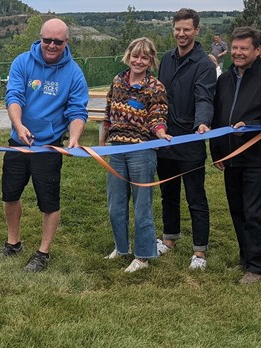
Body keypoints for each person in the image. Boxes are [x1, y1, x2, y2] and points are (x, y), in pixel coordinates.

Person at [1, 18, 88, 272]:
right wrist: (18, 125)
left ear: (66, 42)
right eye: (46, 40)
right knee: (10, 195)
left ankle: (43, 252)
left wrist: (74, 137)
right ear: (40, 38)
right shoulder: (22, 62)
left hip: (49, 147)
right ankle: (13, 242)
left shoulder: (74, 73)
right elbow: (14, 95)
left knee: (49, 202)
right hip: (18, 142)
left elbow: (77, 111)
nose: (51, 45)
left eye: (57, 41)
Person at [210, 27, 261, 284]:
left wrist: (251, 125)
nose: (238, 53)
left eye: (244, 48)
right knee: (237, 210)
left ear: (257, 50)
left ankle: (257, 267)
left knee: (255, 212)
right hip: (231, 157)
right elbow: (217, 119)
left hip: (258, 159)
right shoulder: (224, 80)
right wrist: (218, 152)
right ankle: (245, 257)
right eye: (235, 48)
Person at [100, 37, 171, 272]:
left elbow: (157, 116)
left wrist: (160, 133)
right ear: (128, 56)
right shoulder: (118, 80)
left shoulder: (156, 87)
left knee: (142, 205)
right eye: (135, 55)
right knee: (115, 204)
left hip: (142, 151)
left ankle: (142, 256)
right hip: (117, 150)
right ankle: (121, 247)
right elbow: (109, 113)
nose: (138, 61)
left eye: (144, 57)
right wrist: (102, 143)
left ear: (151, 60)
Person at [157, 8, 216, 270]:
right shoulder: (166, 59)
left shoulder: (204, 64)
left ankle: (199, 252)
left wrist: (202, 123)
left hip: (190, 140)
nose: (182, 34)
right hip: (164, 139)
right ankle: (169, 239)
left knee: (195, 196)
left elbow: (204, 97)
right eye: (178, 29)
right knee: (168, 193)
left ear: (196, 31)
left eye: (187, 30)